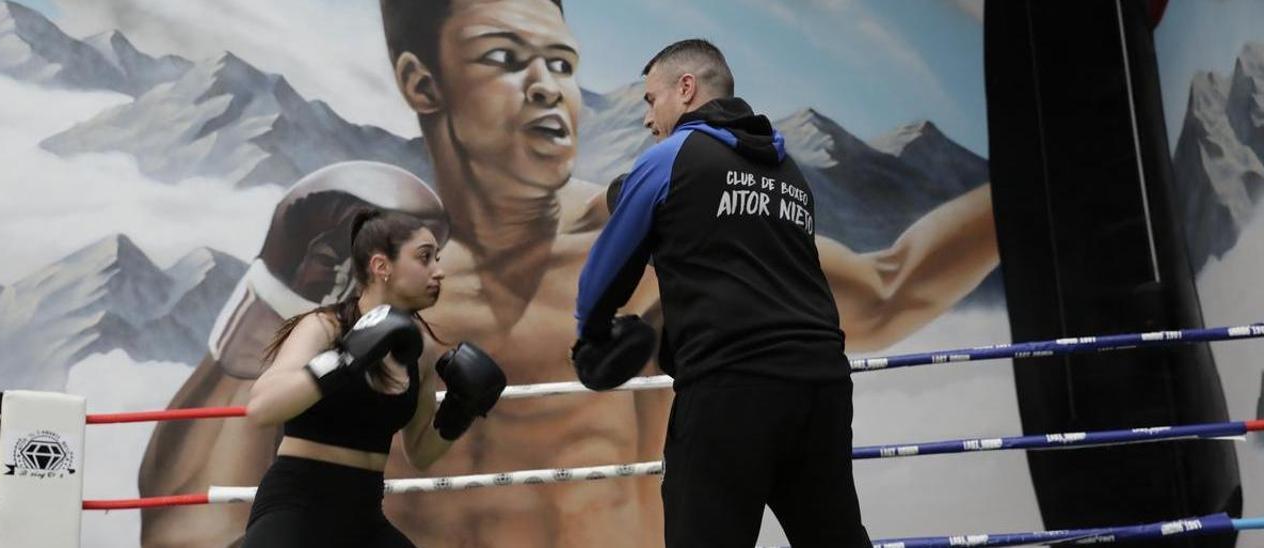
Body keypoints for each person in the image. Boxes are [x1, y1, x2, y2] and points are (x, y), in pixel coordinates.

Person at [141, 1, 998, 545]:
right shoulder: (386, 285)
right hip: (312, 519)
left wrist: (580, 344)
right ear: (423, 82)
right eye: (506, 60)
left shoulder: (658, 200)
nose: (549, 86)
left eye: (561, 64)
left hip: (728, 413)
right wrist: (278, 294)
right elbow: (179, 516)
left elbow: (894, 282)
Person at [574, 39, 872, 547]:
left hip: (732, 391)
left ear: (686, 89)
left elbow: (603, 275)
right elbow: (729, 252)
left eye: (650, 100)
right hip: (821, 387)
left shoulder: (672, 156)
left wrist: (592, 339)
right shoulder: (790, 174)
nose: (648, 119)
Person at [241, 207, 506, 547]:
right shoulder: (325, 327)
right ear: (381, 266)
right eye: (424, 258)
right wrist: (345, 357)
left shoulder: (417, 350)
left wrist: (459, 411)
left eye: (437, 258)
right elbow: (263, 407)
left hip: (364, 514)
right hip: (296, 505)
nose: (438, 272)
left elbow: (421, 453)